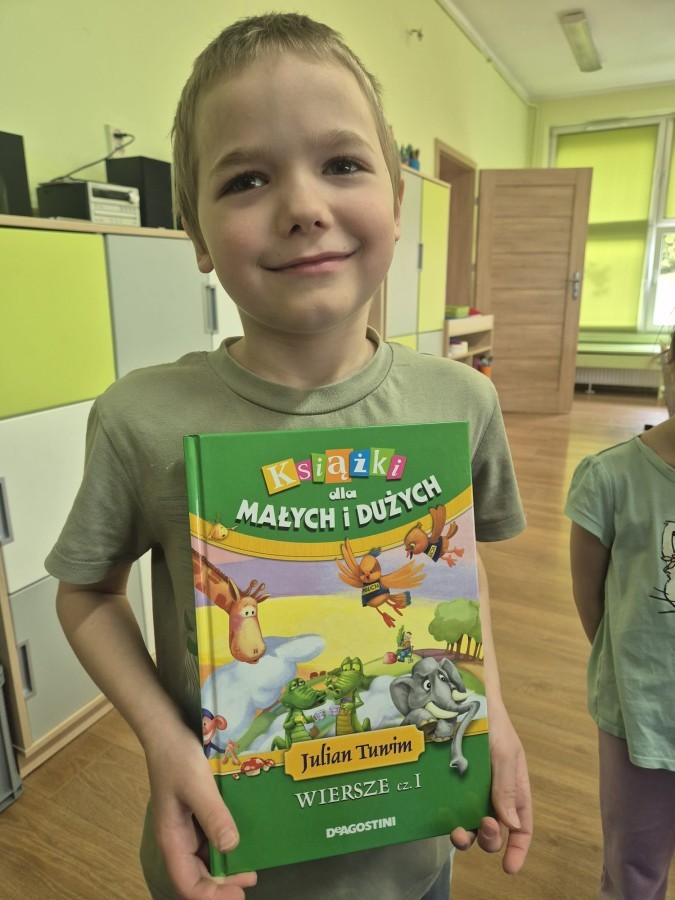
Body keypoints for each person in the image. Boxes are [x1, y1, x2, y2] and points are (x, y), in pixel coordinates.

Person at [46, 13, 532, 899]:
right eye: (247, 179)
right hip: (229, 863)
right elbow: (87, 594)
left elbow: (459, 574)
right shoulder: (139, 419)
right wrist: (164, 743)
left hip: (417, 855)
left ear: (396, 201)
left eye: (341, 164)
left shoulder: (460, 401)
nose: (303, 206)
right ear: (197, 237)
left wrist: (488, 708)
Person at [566, 332, 675, 900]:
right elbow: (591, 597)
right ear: (669, 368)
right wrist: (629, 665)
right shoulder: (610, 477)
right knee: (635, 866)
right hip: (640, 715)